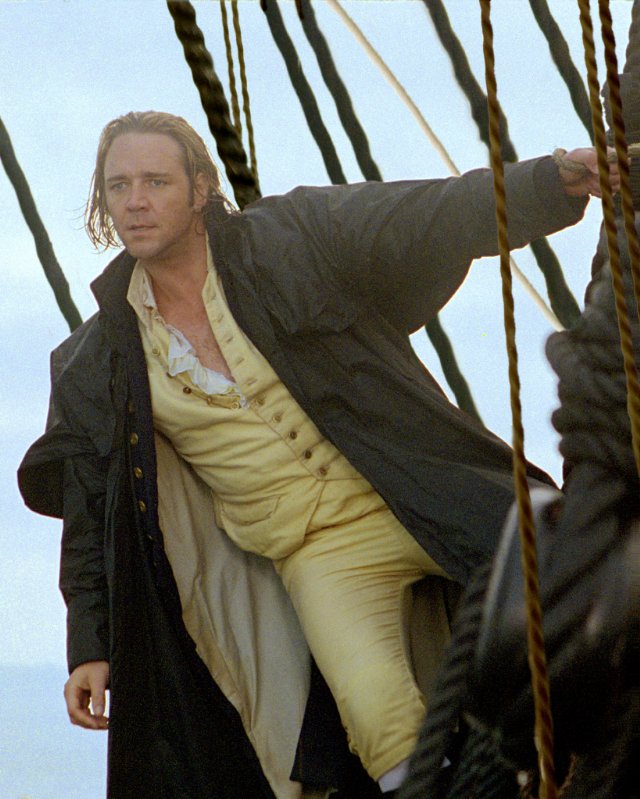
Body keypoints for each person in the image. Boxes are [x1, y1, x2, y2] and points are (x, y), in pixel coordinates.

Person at [18, 111, 617, 799]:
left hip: (416, 485)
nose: (136, 202)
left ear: (201, 188)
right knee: (379, 722)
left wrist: (550, 182)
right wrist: (90, 647)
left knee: (591, 577)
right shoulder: (95, 361)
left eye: (156, 181)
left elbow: (425, 215)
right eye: (118, 186)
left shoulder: (289, 238)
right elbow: (90, 515)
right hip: (319, 553)